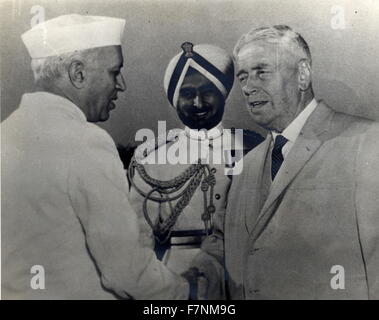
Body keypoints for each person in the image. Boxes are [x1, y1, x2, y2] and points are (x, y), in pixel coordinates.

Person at [1, 14, 191, 299]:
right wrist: (189, 293)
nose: (121, 85)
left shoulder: (6, 133)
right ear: (78, 73)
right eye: (114, 72)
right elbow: (126, 271)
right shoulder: (86, 141)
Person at [194, 25, 379, 299]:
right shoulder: (248, 165)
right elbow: (226, 251)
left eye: (262, 72)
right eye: (243, 77)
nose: (247, 87)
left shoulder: (367, 142)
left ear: (302, 75)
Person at [128, 42, 263, 299]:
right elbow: (138, 241)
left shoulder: (253, 148)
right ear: (175, 100)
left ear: (223, 94)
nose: (198, 102)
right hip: (177, 279)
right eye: (188, 93)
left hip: (242, 277)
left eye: (208, 91)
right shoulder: (153, 157)